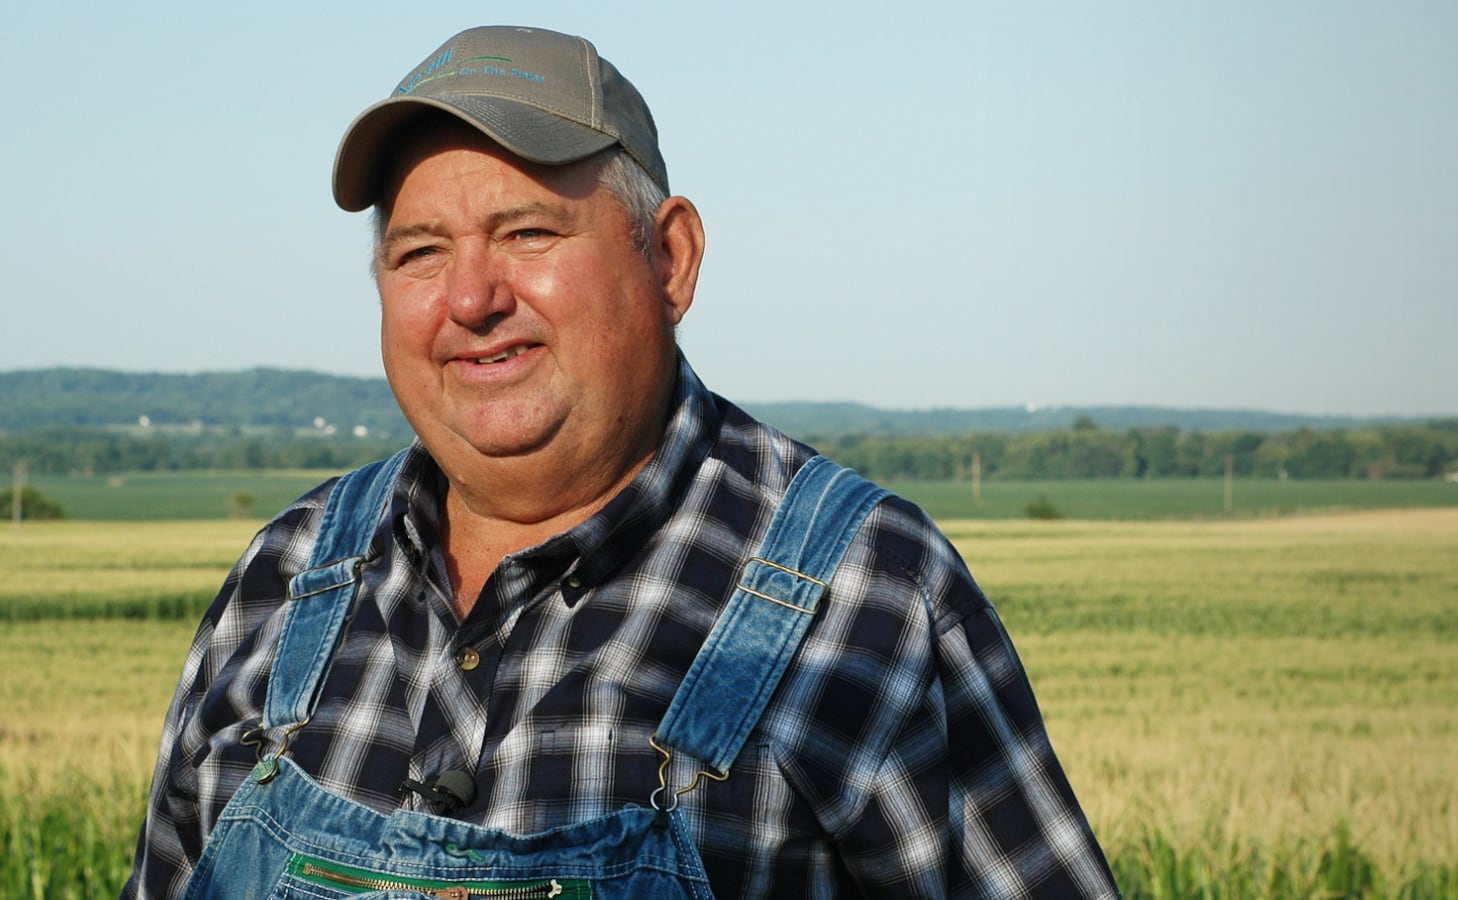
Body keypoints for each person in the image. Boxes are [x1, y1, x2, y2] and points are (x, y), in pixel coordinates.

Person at [124, 25, 1119, 899]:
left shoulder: (864, 595)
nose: (471, 299)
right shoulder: (289, 577)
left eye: (526, 233)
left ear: (671, 257)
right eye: (420, 251)